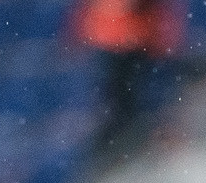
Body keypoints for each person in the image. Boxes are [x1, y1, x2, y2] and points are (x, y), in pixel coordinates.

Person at [76, 0, 180, 162]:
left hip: (132, 41)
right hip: (118, 42)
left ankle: (127, 148)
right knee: (119, 104)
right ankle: (119, 151)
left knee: (127, 102)